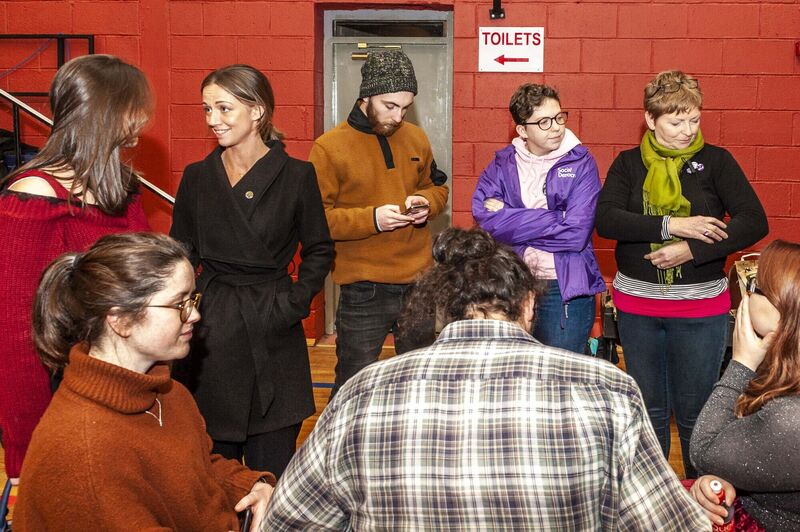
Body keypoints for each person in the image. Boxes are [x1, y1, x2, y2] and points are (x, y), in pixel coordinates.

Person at [262, 227, 710, 531]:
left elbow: (289, 520)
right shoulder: (606, 389)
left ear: (439, 308)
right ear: (529, 307)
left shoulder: (363, 391)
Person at [14, 232, 274, 531]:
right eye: (179, 304)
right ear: (120, 319)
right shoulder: (82, 451)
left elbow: (198, 469)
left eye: (192, 299)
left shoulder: (169, 393)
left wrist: (250, 487)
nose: (195, 315)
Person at [596, 70, 768, 478]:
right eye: (676, 122)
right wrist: (672, 225)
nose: (688, 131)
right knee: (649, 408)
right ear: (651, 119)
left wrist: (693, 249)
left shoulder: (717, 161)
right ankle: (656, 497)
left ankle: (701, 497)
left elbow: (753, 221)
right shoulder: (628, 163)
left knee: (697, 410)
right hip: (637, 308)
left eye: (694, 119)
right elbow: (607, 220)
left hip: (699, 310)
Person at [170, 64, 333, 478]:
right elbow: (182, 253)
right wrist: (183, 309)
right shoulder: (196, 177)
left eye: (224, 109)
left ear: (257, 111)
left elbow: (319, 249)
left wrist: (294, 302)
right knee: (211, 474)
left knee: (272, 473)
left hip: (272, 328)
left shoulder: (298, 176)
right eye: (207, 110)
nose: (212, 121)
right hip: (212, 330)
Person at [0, 54, 153, 482]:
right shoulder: (31, 194)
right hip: (63, 394)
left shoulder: (123, 185)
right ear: (108, 110)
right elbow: (15, 333)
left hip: (121, 386)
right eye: (135, 107)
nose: (143, 118)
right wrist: (27, 446)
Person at [309, 50, 449, 396]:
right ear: (366, 95)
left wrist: (425, 205)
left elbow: (437, 188)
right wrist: (372, 219)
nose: (398, 116)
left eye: (405, 106)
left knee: (422, 383)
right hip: (364, 289)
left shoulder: (416, 138)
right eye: (390, 105)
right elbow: (317, 220)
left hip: (419, 283)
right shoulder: (328, 149)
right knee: (353, 387)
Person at [473, 83, 605, 354]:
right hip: (513, 283)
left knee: (559, 375)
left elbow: (576, 232)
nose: (556, 127)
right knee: (512, 372)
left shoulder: (581, 162)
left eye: (559, 117)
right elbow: (486, 221)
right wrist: (556, 217)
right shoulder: (502, 163)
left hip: (564, 287)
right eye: (544, 122)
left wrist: (510, 217)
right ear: (522, 130)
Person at [689, 240, 800, 531]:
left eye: (755, 284)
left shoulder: (791, 417)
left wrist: (741, 364)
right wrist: (726, 473)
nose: (746, 293)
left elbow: (703, 450)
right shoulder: (786, 369)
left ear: (785, 310)